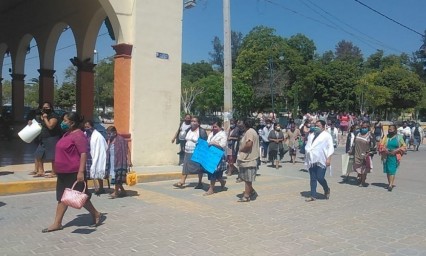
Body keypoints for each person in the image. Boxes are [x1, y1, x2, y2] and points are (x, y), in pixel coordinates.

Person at [42, 112, 102, 233]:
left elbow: (83, 154)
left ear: (72, 123)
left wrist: (81, 172)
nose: (63, 123)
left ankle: (96, 214)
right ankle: (57, 223)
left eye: (65, 120)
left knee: (79, 197)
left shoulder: (79, 135)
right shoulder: (67, 134)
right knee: (62, 198)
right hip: (62, 172)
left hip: (73, 172)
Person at [28, 102, 62, 178]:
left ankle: (54, 172)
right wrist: (31, 123)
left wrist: (46, 118)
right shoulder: (42, 116)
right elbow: (41, 125)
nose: (45, 109)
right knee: (38, 154)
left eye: (47, 107)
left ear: (51, 108)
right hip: (43, 138)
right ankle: (41, 171)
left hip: (52, 138)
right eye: (43, 107)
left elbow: (50, 126)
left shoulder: (54, 116)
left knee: (52, 156)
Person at [173, 117, 207, 189]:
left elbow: (204, 142)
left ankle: (200, 182)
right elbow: (184, 139)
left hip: (196, 152)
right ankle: (182, 181)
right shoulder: (188, 130)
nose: (192, 122)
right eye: (192, 121)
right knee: (185, 166)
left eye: (195, 121)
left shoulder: (201, 131)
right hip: (188, 151)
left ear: (198, 123)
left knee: (199, 167)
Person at [304, 120, 334, 202]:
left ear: (323, 126)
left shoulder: (327, 136)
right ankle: (313, 195)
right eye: (315, 125)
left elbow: (330, 147)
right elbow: (308, 145)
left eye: (318, 126)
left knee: (320, 177)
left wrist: (329, 159)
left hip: (322, 159)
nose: (316, 127)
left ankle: (326, 189)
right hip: (312, 159)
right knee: (313, 178)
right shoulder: (312, 135)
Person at [236, 118, 260, 202]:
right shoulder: (252, 131)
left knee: (247, 179)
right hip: (248, 159)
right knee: (246, 178)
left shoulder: (249, 132)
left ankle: (246, 196)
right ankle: (251, 191)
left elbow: (249, 144)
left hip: (249, 159)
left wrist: (242, 149)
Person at [106, 126, 132, 199]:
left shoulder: (121, 140)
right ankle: (123, 191)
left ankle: (116, 192)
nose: (108, 135)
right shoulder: (110, 140)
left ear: (114, 132)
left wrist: (129, 161)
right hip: (112, 161)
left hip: (119, 161)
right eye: (107, 133)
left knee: (116, 176)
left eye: (109, 133)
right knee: (116, 177)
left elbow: (128, 150)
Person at [379, 124, 406, 192]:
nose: (389, 130)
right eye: (389, 129)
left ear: (395, 130)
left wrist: (396, 150)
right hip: (386, 156)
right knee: (387, 170)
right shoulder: (386, 137)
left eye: (391, 129)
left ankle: (391, 185)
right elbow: (381, 145)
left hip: (395, 156)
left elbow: (404, 146)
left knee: (392, 170)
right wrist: (386, 150)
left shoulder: (399, 137)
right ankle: (389, 183)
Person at [204, 119, 228, 196]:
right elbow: (208, 142)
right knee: (213, 172)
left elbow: (223, 145)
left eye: (215, 127)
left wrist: (214, 143)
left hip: (218, 155)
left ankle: (211, 189)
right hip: (210, 155)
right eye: (213, 127)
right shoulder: (211, 134)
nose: (214, 128)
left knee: (213, 172)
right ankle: (222, 181)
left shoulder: (223, 134)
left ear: (220, 127)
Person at [84, 120, 108, 195]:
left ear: (92, 126)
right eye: (85, 127)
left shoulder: (98, 136)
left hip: (95, 156)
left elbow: (102, 147)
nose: (87, 128)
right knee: (86, 174)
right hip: (86, 156)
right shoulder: (84, 134)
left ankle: (101, 188)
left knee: (97, 170)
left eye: (88, 126)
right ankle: (86, 189)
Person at [352, 122, 375, 187]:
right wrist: (351, 151)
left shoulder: (370, 135)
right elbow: (354, 143)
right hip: (357, 154)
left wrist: (369, 153)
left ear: (368, 128)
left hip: (366, 155)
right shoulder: (358, 133)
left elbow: (374, 146)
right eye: (362, 127)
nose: (363, 128)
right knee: (358, 168)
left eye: (365, 127)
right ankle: (360, 178)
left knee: (364, 169)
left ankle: (363, 182)